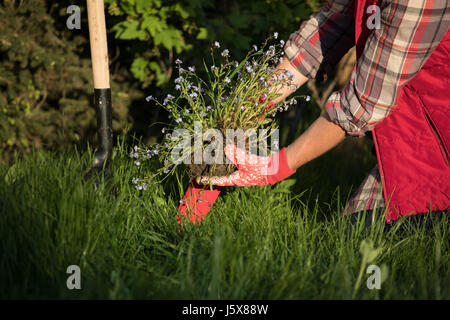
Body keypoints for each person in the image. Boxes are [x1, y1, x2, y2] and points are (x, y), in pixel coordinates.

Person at [178, 0, 449, 227]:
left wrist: (274, 168)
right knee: (351, 241)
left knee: (361, 250)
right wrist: (249, 108)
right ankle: (185, 225)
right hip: (413, 131)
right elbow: (324, 33)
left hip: (441, 138)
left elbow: (362, 104)